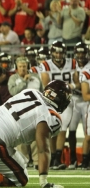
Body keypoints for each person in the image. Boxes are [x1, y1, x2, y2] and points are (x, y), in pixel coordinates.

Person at [40, 41, 79, 170]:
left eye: (60, 52)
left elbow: (77, 82)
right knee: (52, 129)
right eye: (56, 51)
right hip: (51, 101)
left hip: (67, 101)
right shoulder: (46, 65)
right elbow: (46, 85)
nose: (58, 54)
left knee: (63, 127)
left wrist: (71, 86)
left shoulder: (72, 63)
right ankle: (52, 157)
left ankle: (57, 158)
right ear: (51, 53)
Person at [66, 42, 90, 169]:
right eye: (78, 52)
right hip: (75, 99)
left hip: (87, 101)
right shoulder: (70, 66)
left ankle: (86, 159)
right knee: (72, 129)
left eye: (83, 52)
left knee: (88, 132)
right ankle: (73, 159)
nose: (81, 55)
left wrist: (76, 85)